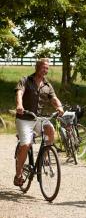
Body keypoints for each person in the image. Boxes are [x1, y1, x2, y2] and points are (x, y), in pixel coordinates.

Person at [14, 58, 64, 186]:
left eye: (47, 68)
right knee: (26, 144)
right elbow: (20, 92)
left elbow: (54, 98)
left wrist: (59, 107)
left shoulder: (47, 85)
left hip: (39, 118)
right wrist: (19, 105)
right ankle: (18, 174)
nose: (45, 70)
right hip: (24, 117)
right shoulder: (26, 80)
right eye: (43, 67)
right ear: (37, 67)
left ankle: (45, 157)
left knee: (50, 129)